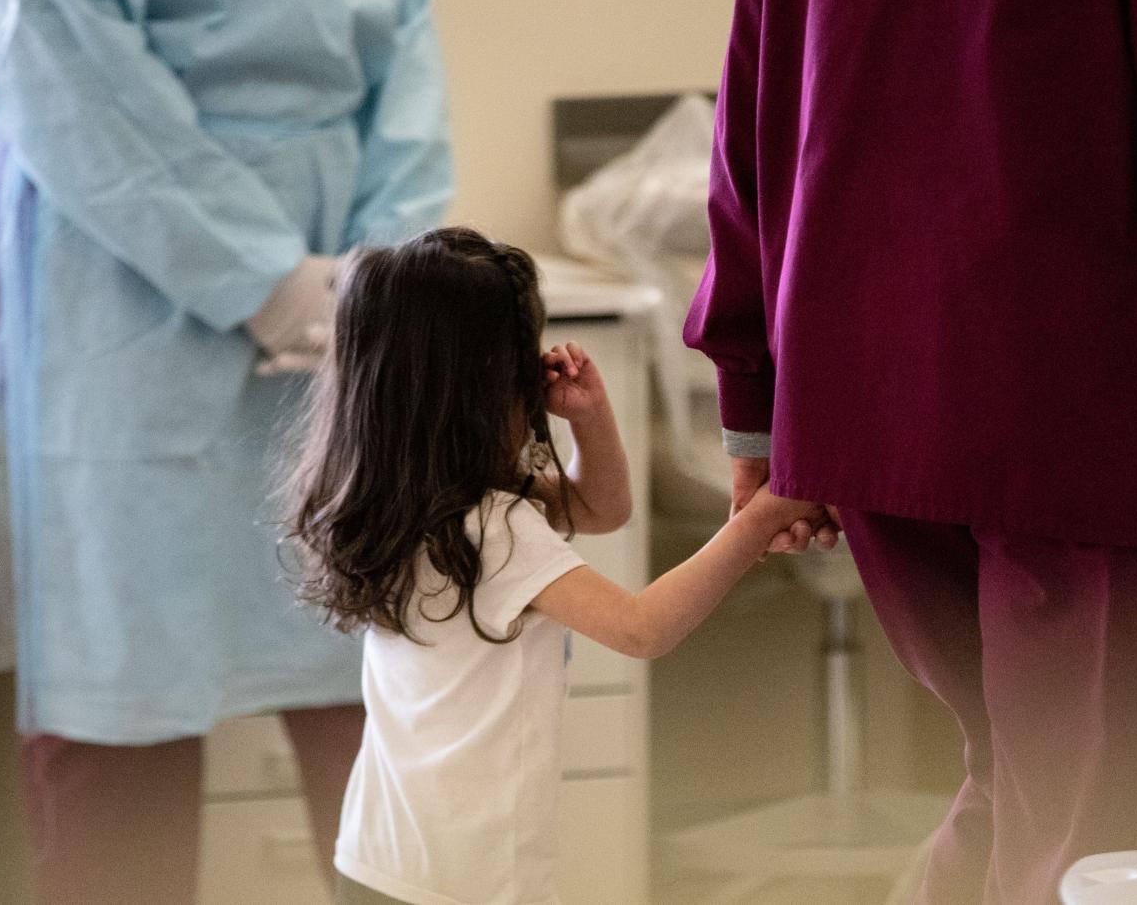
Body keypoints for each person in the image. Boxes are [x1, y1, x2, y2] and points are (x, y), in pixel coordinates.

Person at [0, 0, 452, 900]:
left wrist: (381, 278)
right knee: (119, 715)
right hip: (118, 288)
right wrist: (264, 281)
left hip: (349, 299)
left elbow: (407, 63)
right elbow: (53, 54)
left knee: (386, 709)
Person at [684, 0, 1137, 903]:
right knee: (1092, 830)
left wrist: (757, 404)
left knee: (1013, 784)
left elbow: (748, 110)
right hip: (1074, 406)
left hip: (860, 396)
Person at [284, 228, 819, 905]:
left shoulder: (392, 495)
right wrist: (761, 519)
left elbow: (599, 508)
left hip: (379, 855)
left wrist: (589, 421)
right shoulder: (490, 526)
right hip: (463, 877)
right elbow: (641, 627)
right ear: (485, 385)